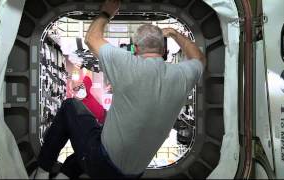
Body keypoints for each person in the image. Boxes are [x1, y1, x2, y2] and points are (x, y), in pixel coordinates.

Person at [32, 0, 206, 179]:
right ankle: (65, 174)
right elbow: (199, 58)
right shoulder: (182, 75)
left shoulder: (127, 64)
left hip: (103, 164)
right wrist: (175, 33)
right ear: (163, 50)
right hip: (134, 174)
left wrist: (107, 13)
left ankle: (42, 170)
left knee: (70, 106)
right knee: (94, 138)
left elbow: (91, 38)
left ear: (136, 49)